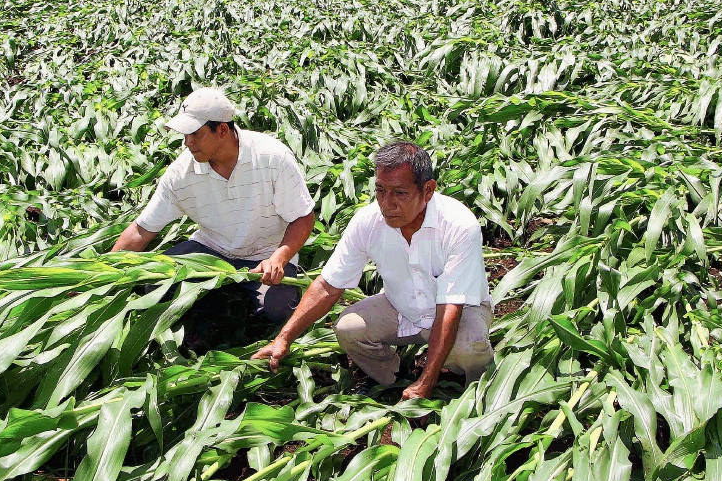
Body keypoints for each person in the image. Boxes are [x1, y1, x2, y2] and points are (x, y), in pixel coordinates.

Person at [253, 141, 492, 401]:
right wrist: (284, 338)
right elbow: (327, 286)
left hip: (460, 310)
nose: (387, 204)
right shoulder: (368, 222)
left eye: (400, 193)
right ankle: (394, 379)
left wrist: (427, 383)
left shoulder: (458, 225)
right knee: (348, 328)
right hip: (403, 308)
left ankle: (475, 391)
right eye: (380, 190)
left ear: (428, 190)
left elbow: (449, 309)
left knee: (469, 346)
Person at [112, 87, 316, 322]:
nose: (188, 142)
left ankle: (223, 303)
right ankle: (222, 303)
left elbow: (303, 217)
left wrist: (278, 258)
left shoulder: (272, 159)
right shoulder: (182, 173)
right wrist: (102, 270)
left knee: (275, 312)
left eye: (195, 134)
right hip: (210, 250)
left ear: (222, 130)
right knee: (155, 285)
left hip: (265, 257)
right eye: (185, 135)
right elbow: (142, 229)